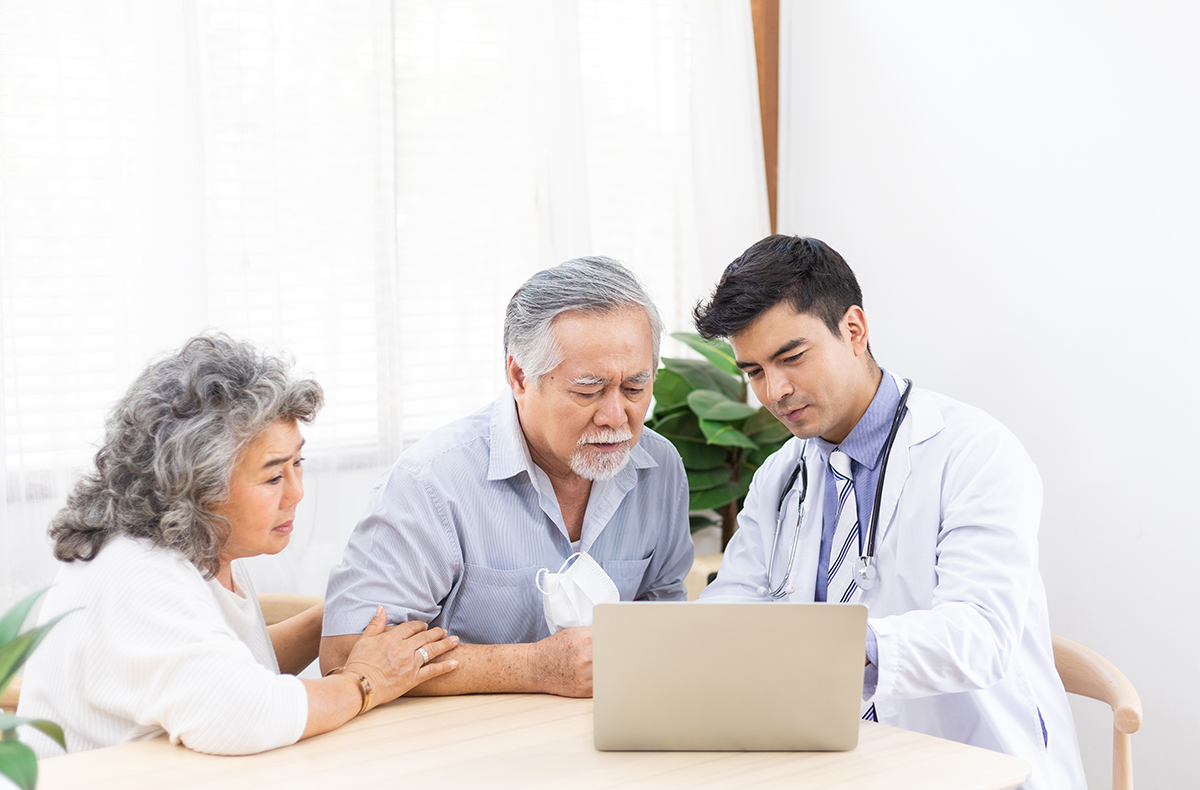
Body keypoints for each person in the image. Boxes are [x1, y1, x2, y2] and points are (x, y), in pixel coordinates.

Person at [693, 236, 1084, 789]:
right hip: (835, 764)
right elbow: (733, 600)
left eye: (792, 357)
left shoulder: (973, 453)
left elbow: (980, 633)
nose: (775, 391)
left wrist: (834, 648)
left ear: (853, 330)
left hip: (973, 763)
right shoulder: (781, 477)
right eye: (754, 371)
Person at [17, 334, 459, 757]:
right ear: (196, 484)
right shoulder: (134, 573)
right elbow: (244, 712)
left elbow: (228, 668)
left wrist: (345, 610)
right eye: (272, 477)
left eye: (298, 463)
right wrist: (365, 682)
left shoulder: (203, 543)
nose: (297, 492)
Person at [320, 256, 693, 697]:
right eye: (588, 390)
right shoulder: (432, 481)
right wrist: (534, 666)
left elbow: (666, 614)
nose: (617, 417)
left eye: (635, 388)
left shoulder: (659, 466)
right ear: (519, 376)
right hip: (463, 747)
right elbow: (346, 652)